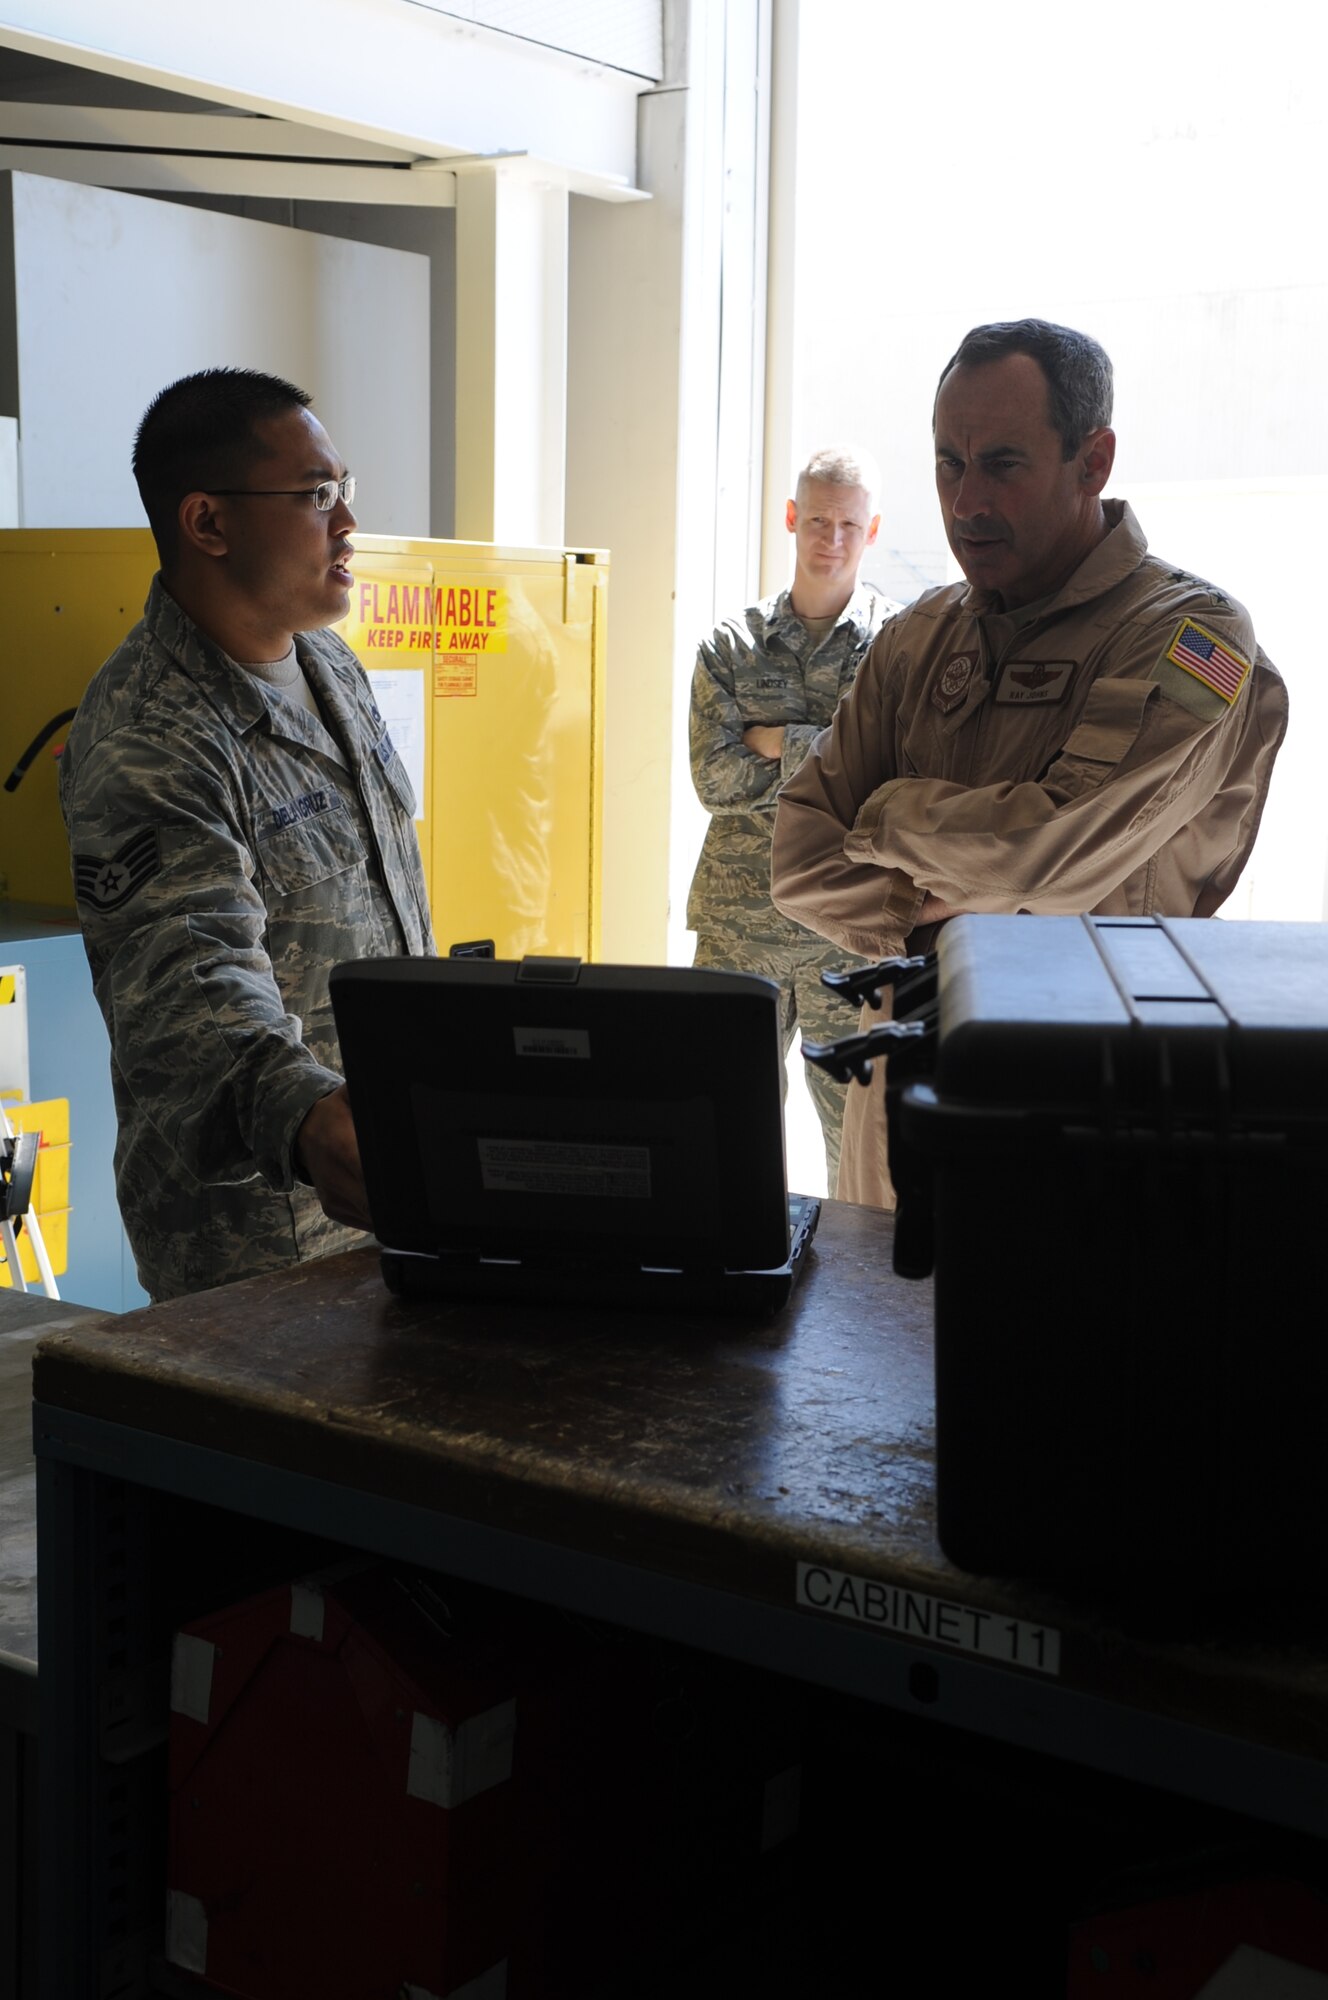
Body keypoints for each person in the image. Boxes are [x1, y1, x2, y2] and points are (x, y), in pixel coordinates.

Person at [771, 320, 1288, 1208]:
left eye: (1002, 464)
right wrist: (926, 901)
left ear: (1094, 461)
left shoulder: (1191, 636)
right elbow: (797, 859)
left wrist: (889, 815)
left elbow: (1049, 852)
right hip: (897, 1107)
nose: (966, 501)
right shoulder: (916, 638)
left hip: (1086, 1114)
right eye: (948, 464)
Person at [60, 368, 434, 1301]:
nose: (346, 521)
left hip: (389, 1199)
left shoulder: (328, 661)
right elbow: (191, 987)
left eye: (342, 489)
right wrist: (309, 1118)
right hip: (259, 1249)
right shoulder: (152, 738)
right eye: (315, 496)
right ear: (208, 524)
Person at [687, 445, 900, 1188]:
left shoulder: (897, 651)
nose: (830, 539)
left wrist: (777, 741)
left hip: (852, 932)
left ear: (871, 531)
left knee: (863, 1149)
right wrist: (831, 757)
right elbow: (714, 779)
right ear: (790, 519)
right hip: (739, 927)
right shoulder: (730, 645)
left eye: (848, 524)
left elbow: (889, 787)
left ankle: (861, 1300)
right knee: (717, 1126)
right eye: (816, 520)